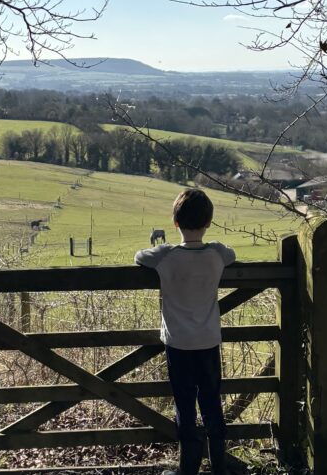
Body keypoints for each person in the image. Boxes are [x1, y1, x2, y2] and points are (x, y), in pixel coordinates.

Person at [135, 188, 236, 475]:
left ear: (175, 222)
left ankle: (188, 468)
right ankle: (219, 466)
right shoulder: (216, 253)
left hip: (178, 344)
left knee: (185, 405)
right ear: (208, 223)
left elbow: (139, 255)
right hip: (208, 342)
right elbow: (232, 253)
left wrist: (163, 248)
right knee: (211, 401)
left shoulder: (165, 256)